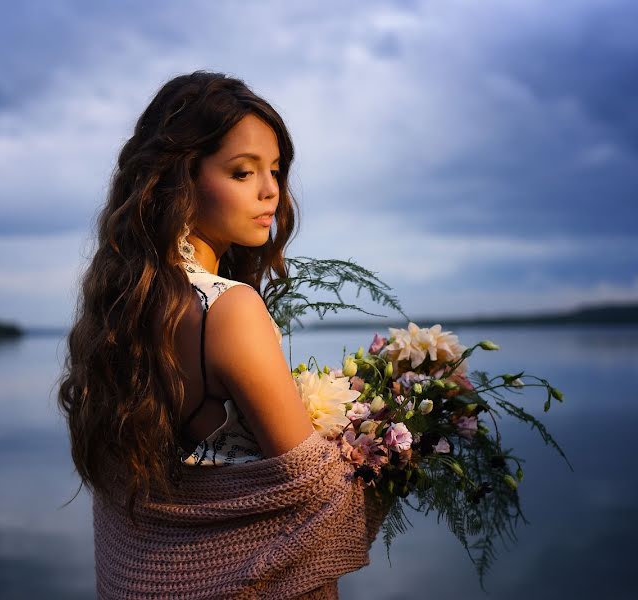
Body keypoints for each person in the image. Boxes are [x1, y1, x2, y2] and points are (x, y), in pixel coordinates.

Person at [57, 70, 389, 599]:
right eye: (241, 172)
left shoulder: (121, 314)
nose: (270, 191)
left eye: (275, 171)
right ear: (179, 179)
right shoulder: (230, 309)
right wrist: (395, 446)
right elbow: (316, 493)